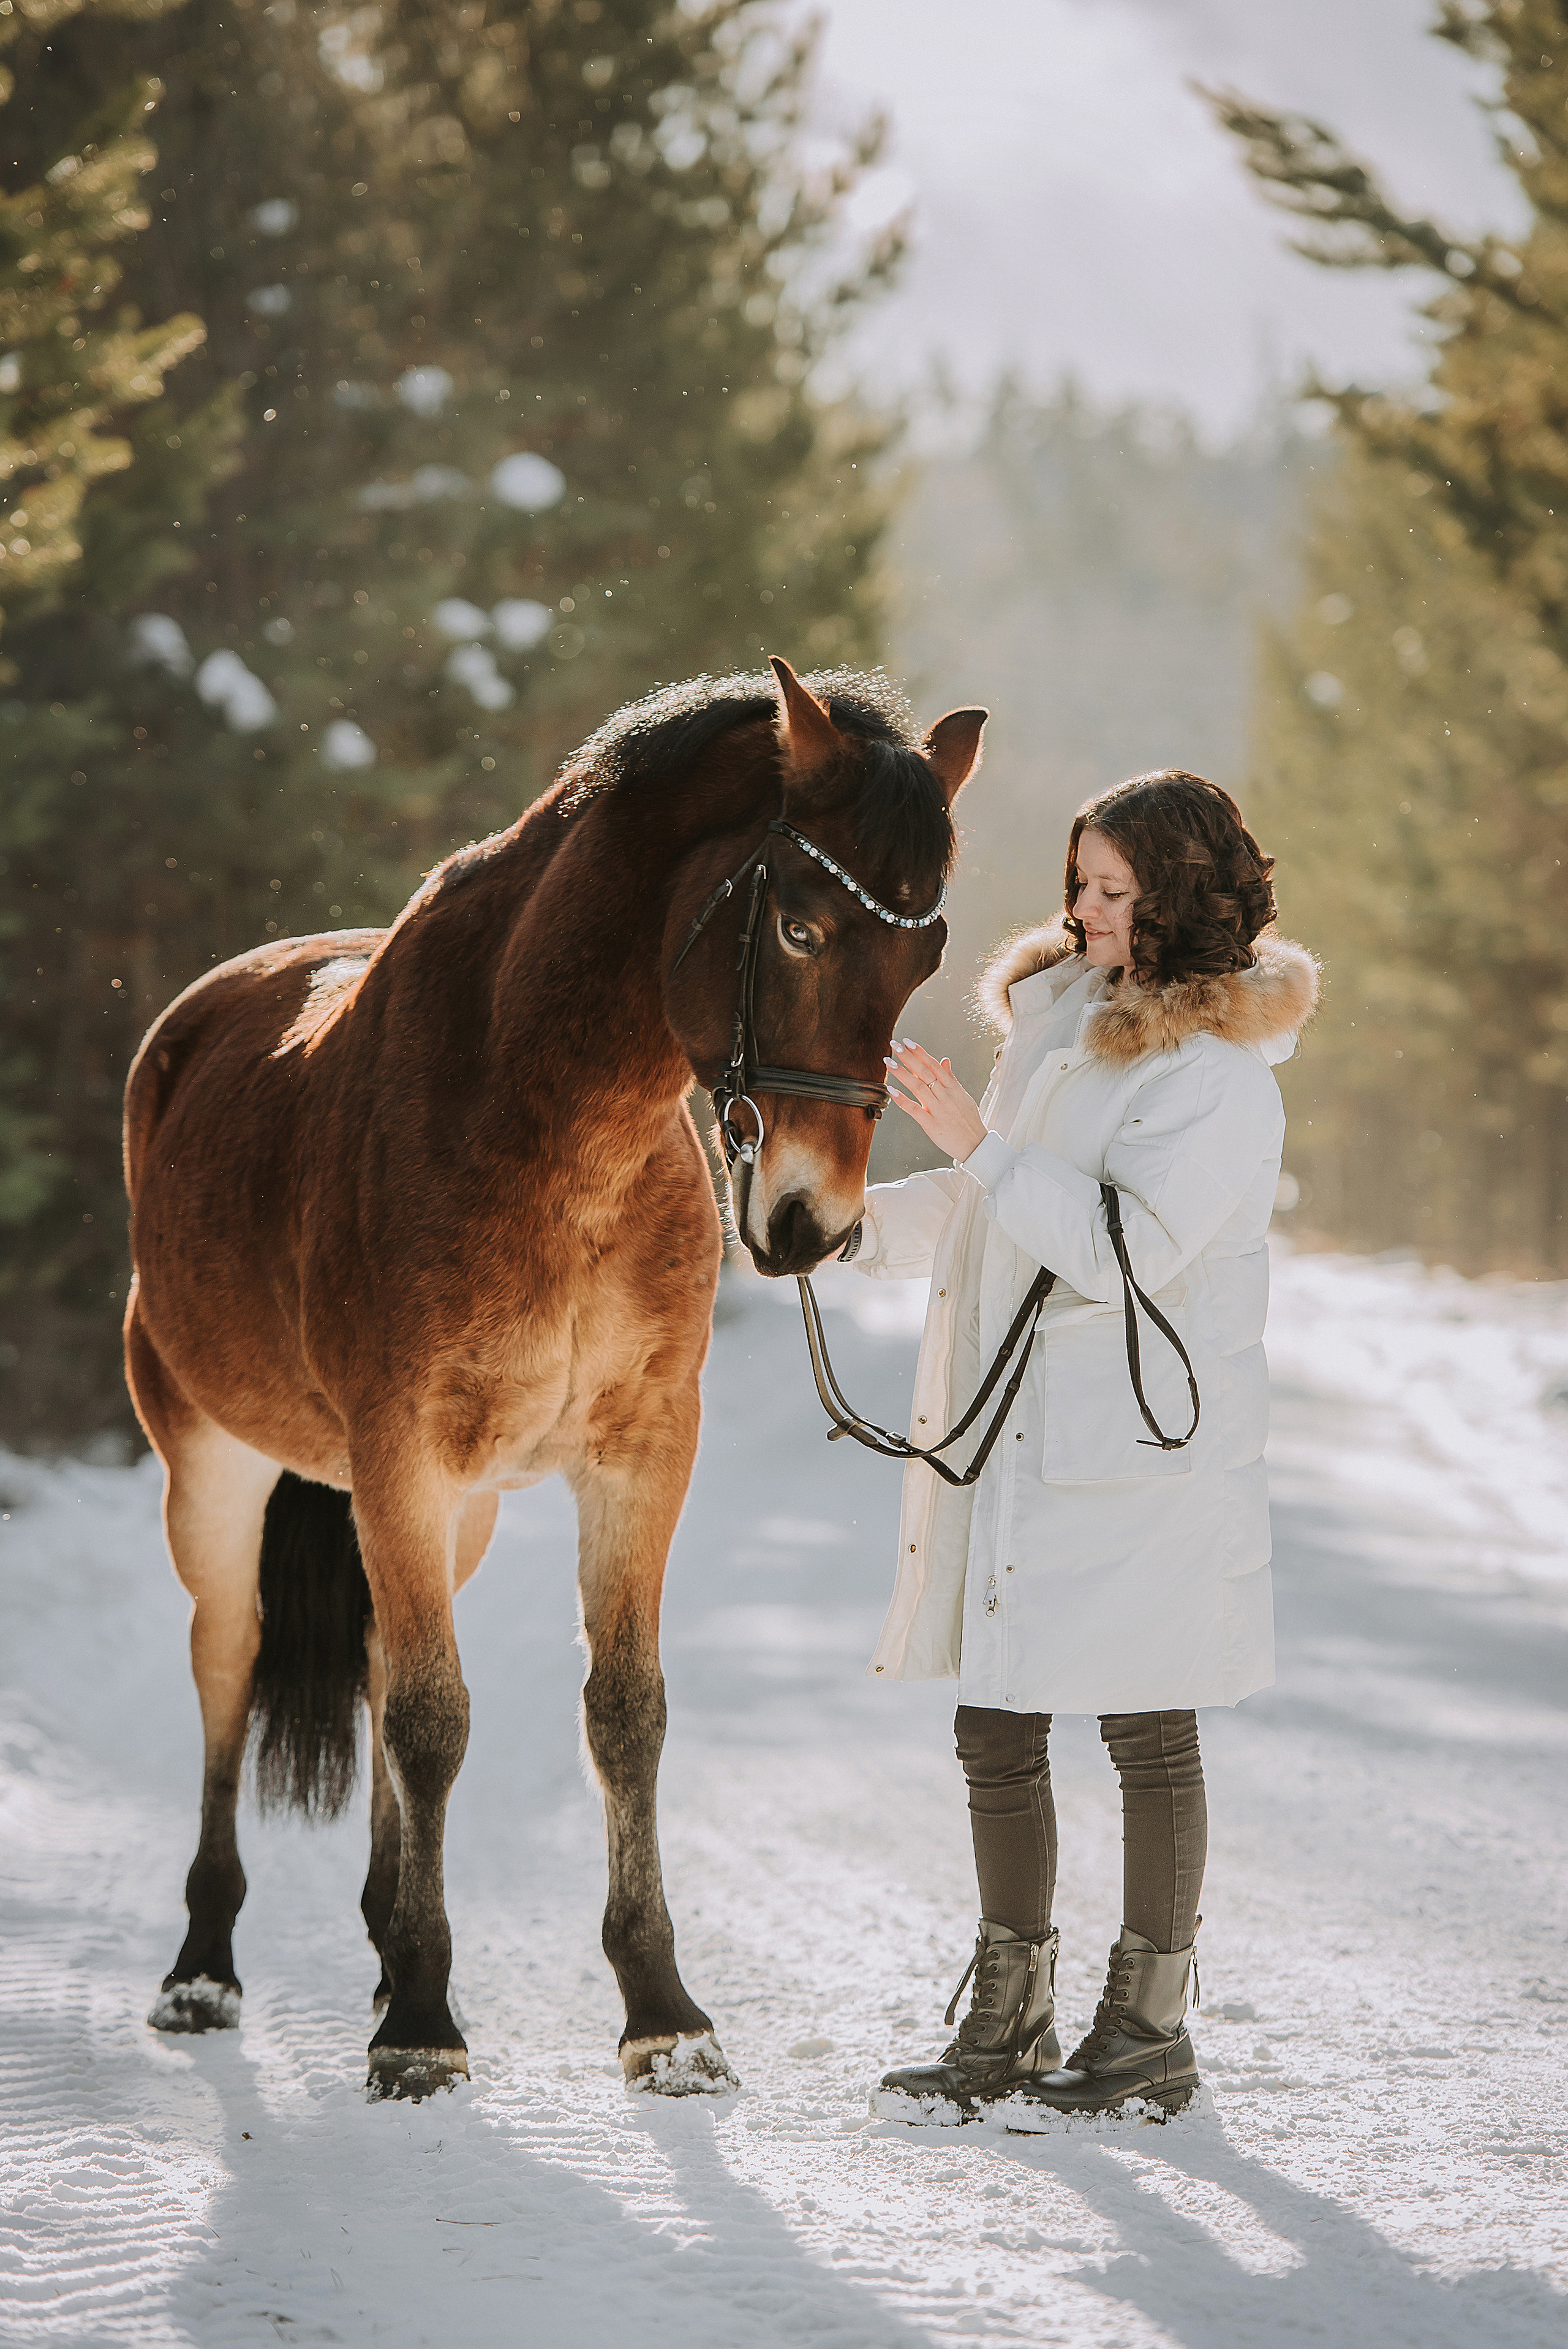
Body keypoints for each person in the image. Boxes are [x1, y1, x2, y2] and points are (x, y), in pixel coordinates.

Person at [846, 768, 1317, 2117]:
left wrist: (979, 1146)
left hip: (1146, 1450)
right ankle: (1008, 2019)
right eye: (1077, 883)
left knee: (1145, 1724)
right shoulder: (1059, 1020)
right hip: (1024, 1432)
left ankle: (1148, 2030)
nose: (1082, 910)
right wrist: (847, 1229)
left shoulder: (1217, 1078)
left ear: (1176, 896)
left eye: (1112, 889)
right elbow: (987, 1203)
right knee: (994, 1721)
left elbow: (1124, 1251)